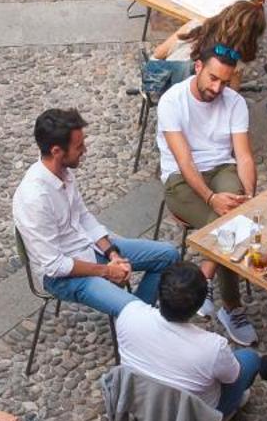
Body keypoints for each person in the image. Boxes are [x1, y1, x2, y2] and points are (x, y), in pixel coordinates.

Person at [14, 107, 180, 319]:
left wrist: (112, 253)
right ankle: (140, 321)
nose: (85, 150)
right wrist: (107, 271)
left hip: (89, 248)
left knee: (168, 255)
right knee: (136, 311)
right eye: (79, 146)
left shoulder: (64, 172)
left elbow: (83, 218)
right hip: (62, 276)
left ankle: (137, 324)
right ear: (57, 151)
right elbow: (55, 265)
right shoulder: (35, 199)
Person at [157, 44, 258, 345]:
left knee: (233, 212)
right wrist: (213, 199)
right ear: (198, 67)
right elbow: (184, 161)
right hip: (181, 179)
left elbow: (245, 158)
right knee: (231, 222)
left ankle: (204, 276)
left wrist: (250, 195)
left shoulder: (235, 102)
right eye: (213, 78)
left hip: (222, 169)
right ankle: (232, 307)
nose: (218, 88)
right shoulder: (171, 101)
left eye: (225, 82)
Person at [116, 262, 267, 416]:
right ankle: (225, 414)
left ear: (159, 293)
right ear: (201, 303)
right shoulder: (213, 347)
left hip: (138, 400)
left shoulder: (128, 313)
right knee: (250, 358)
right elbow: (232, 378)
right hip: (194, 417)